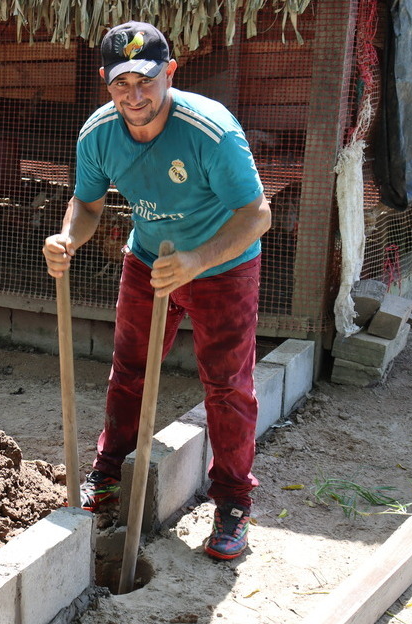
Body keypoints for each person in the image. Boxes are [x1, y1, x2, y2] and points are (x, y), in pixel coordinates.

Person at [42, 21, 272, 561]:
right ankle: (109, 476)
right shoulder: (99, 135)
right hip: (149, 259)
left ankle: (233, 501)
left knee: (227, 383)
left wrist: (196, 260)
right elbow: (89, 206)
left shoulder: (209, 131)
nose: (135, 96)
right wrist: (67, 238)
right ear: (106, 82)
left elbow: (256, 214)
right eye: (122, 84)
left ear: (169, 73)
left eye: (146, 81)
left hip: (223, 263)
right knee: (129, 370)